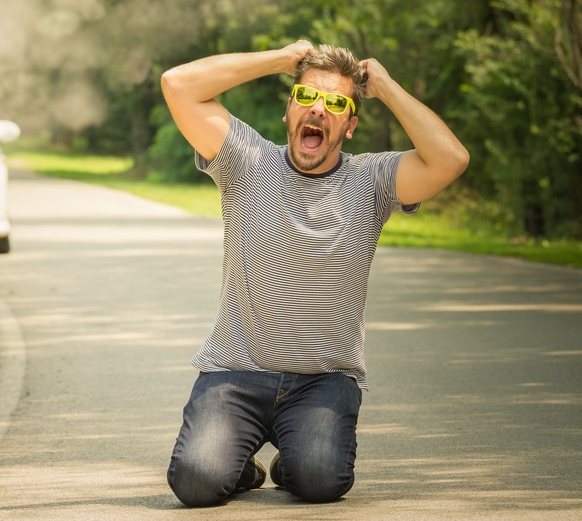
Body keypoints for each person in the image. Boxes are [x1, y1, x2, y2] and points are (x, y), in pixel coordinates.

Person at [160, 40, 469, 507]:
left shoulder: (374, 180)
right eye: (306, 97)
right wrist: (279, 60)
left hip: (323, 381)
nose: (319, 110)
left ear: (349, 126)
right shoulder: (246, 160)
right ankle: (238, 462)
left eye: (337, 103)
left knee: (320, 480)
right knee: (197, 482)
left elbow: (452, 159)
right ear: (289, 111)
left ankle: (296, 461)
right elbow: (177, 84)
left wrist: (385, 87)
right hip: (235, 374)